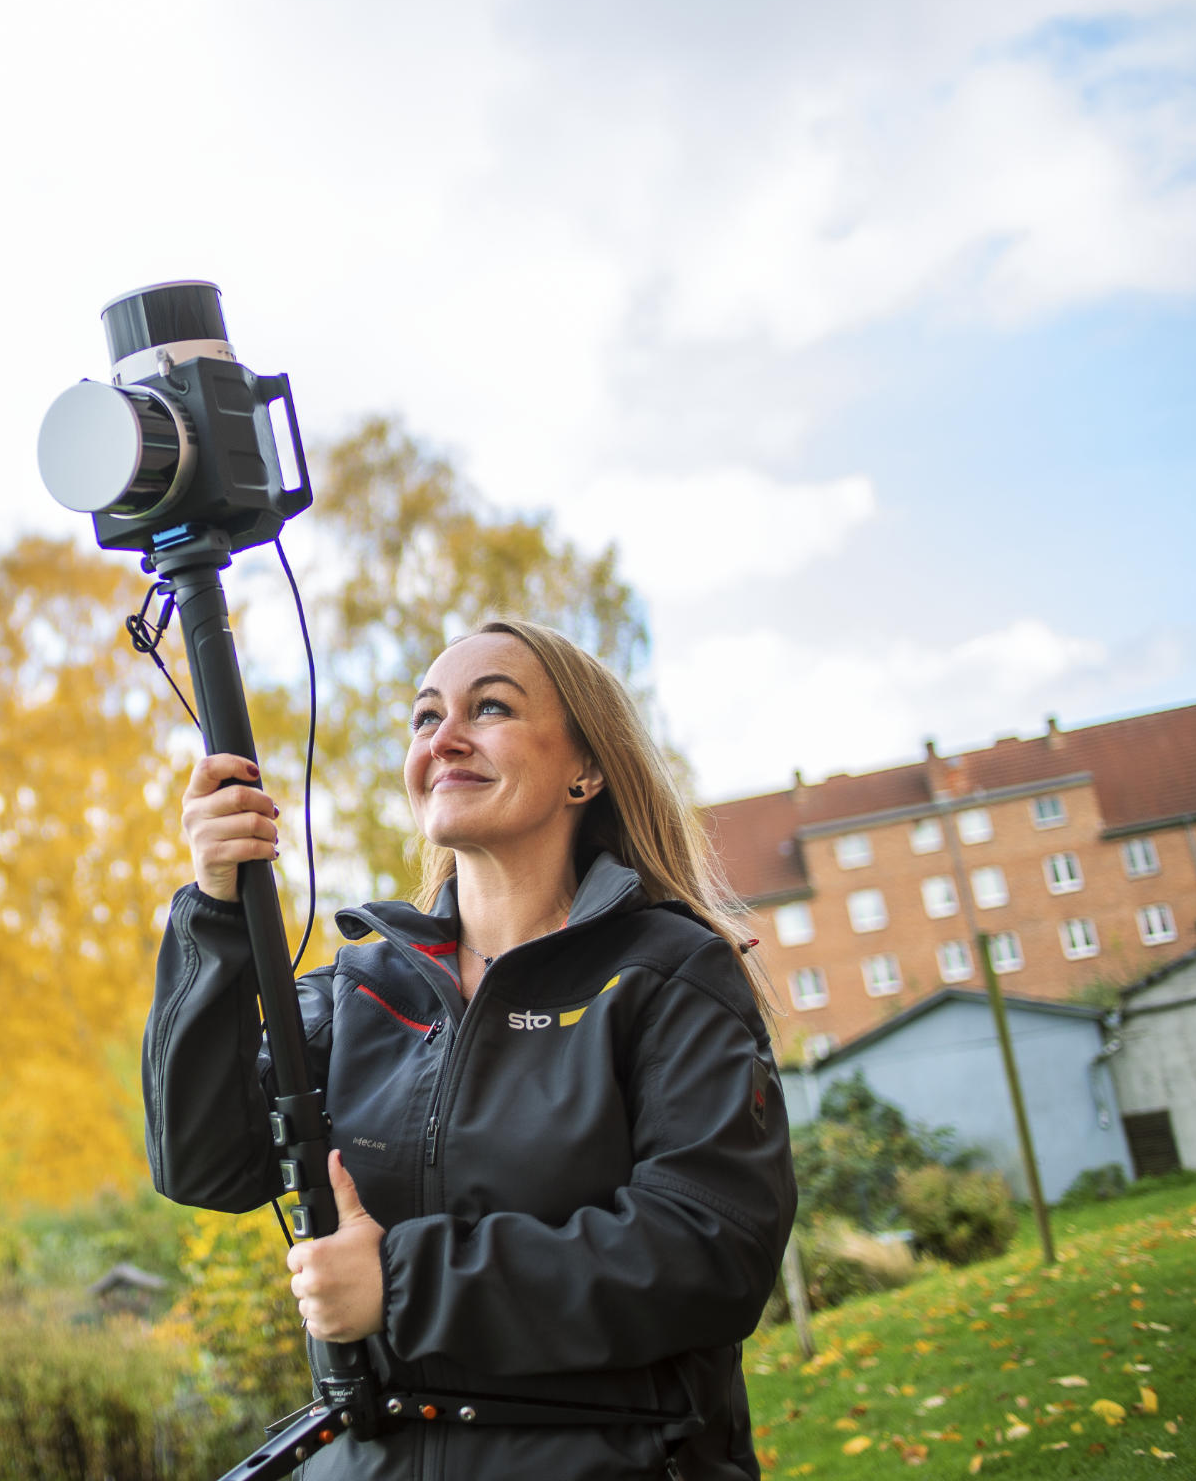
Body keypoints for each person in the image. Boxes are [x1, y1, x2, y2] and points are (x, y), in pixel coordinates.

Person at [143, 619, 796, 1479]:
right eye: (424, 718)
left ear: (586, 770)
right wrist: (218, 909)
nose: (443, 739)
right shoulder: (364, 989)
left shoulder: (667, 976)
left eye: (488, 709)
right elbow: (204, 1165)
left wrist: (402, 1285)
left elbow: (710, 1250)